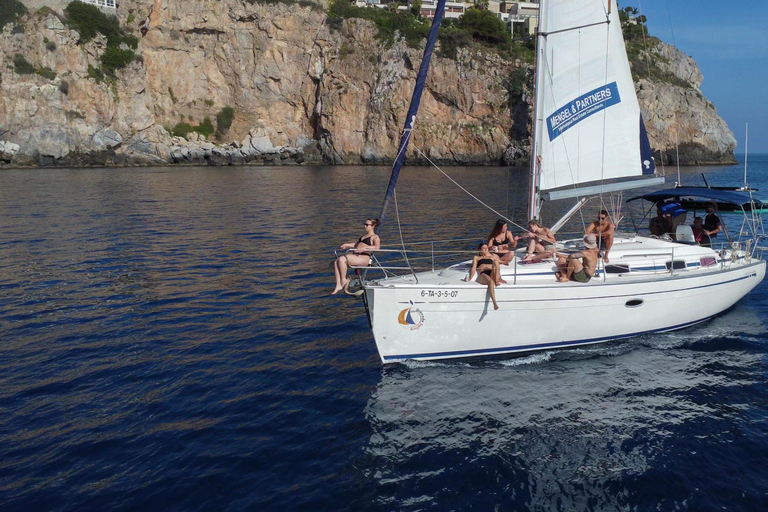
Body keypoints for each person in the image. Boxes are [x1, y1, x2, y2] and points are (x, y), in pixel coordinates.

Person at [332, 218, 380, 295]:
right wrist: (347, 245)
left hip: (364, 257)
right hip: (357, 256)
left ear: (373, 226)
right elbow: (356, 245)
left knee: (342, 259)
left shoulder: (375, 237)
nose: (365, 226)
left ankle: (343, 280)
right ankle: (338, 284)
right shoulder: (364, 237)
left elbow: (377, 247)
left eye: (367, 225)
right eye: (364, 224)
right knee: (336, 262)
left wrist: (365, 248)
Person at [467, 243, 504, 310]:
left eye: (486, 248)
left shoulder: (492, 257)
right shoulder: (477, 258)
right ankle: (494, 303)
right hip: (484, 273)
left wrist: (500, 277)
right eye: (484, 248)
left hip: (492, 272)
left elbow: (499, 264)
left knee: (496, 262)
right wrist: (470, 278)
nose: (486, 249)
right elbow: (474, 267)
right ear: (480, 250)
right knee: (490, 282)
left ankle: (497, 280)